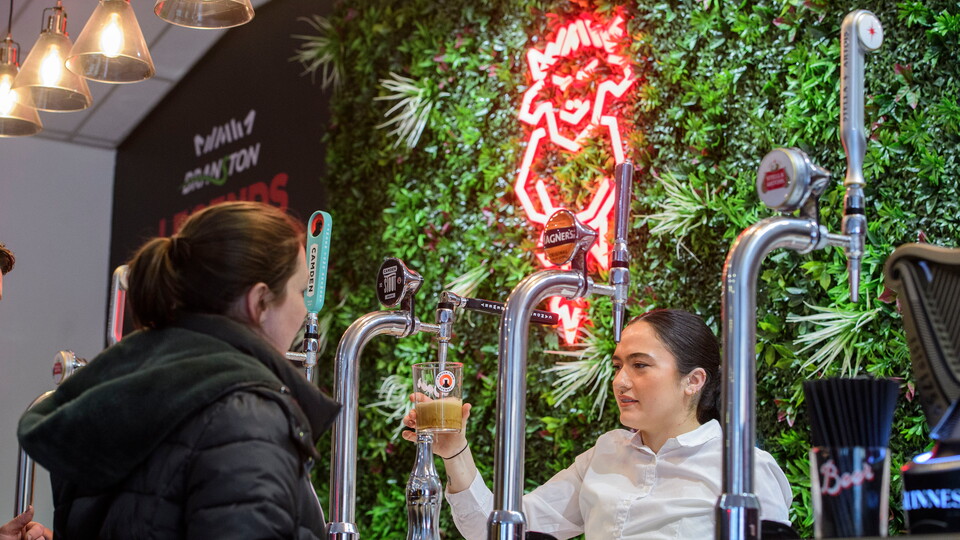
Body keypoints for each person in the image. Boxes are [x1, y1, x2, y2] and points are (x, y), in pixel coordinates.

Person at [18, 201, 340, 539]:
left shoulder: (109, 391)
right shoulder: (245, 415)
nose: (305, 311)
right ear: (259, 302)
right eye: (300, 291)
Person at [402, 308, 792, 540]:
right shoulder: (606, 453)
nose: (621, 381)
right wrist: (453, 450)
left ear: (693, 380)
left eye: (640, 365)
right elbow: (499, 530)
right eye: (618, 365)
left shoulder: (745, 470)